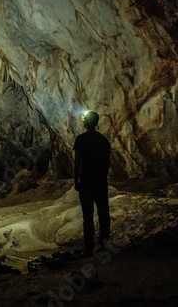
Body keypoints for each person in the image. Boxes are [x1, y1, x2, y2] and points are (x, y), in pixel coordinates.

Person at [73, 110, 111, 256]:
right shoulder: (103, 140)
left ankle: (88, 248)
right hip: (100, 182)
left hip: (86, 183)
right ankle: (104, 244)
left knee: (87, 216)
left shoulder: (81, 139)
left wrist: (76, 180)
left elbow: (77, 162)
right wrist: (103, 178)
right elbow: (107, 163)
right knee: (103, 214)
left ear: (87, 123)